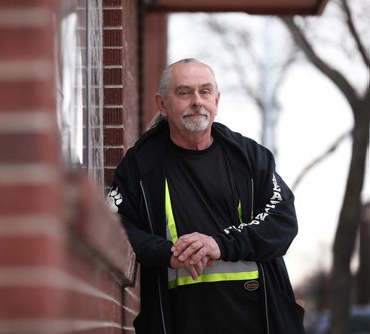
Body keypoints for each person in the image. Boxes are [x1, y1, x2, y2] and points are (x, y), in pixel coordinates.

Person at [107, 58, 305, 333]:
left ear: (216, 101)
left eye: (205, 91)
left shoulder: (250, 157)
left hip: (261, 320)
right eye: (184, 92)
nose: (197, 101)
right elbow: (116, 226)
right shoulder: (140, 165)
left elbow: (282, 221)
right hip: (180, 321)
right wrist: (167, 253)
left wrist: (219, 244)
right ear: (162, 105)